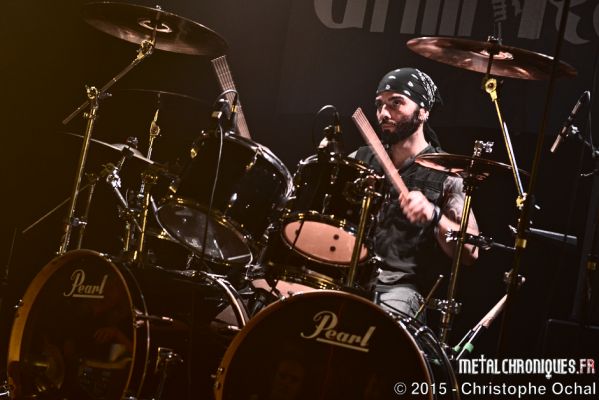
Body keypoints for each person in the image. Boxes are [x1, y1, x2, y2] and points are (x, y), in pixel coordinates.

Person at [351, 67, 479, 319]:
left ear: (423, 112)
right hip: (350, 274)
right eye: (379, 104)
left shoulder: (446, 175)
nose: (383, 113)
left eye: (396, 103)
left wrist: (435, 215)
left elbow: (470, 253)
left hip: (400, 289)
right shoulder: (361, 158)